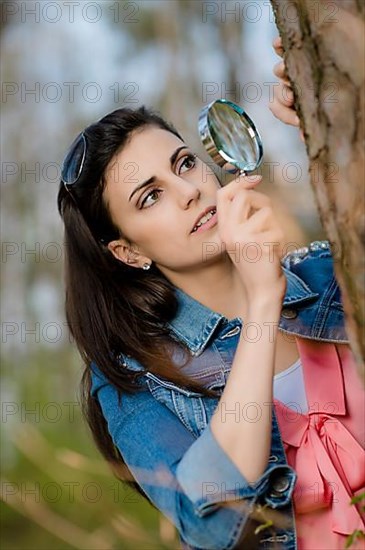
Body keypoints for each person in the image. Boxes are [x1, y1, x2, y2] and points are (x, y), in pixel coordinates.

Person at [57, 37, 365, 549]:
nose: (189, 191)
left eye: (183, 164)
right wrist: (262, 302)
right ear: (128, 252)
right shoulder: (133, 381)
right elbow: (212, 523)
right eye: (151, 196)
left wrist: (334, 121)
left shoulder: (326, 274)